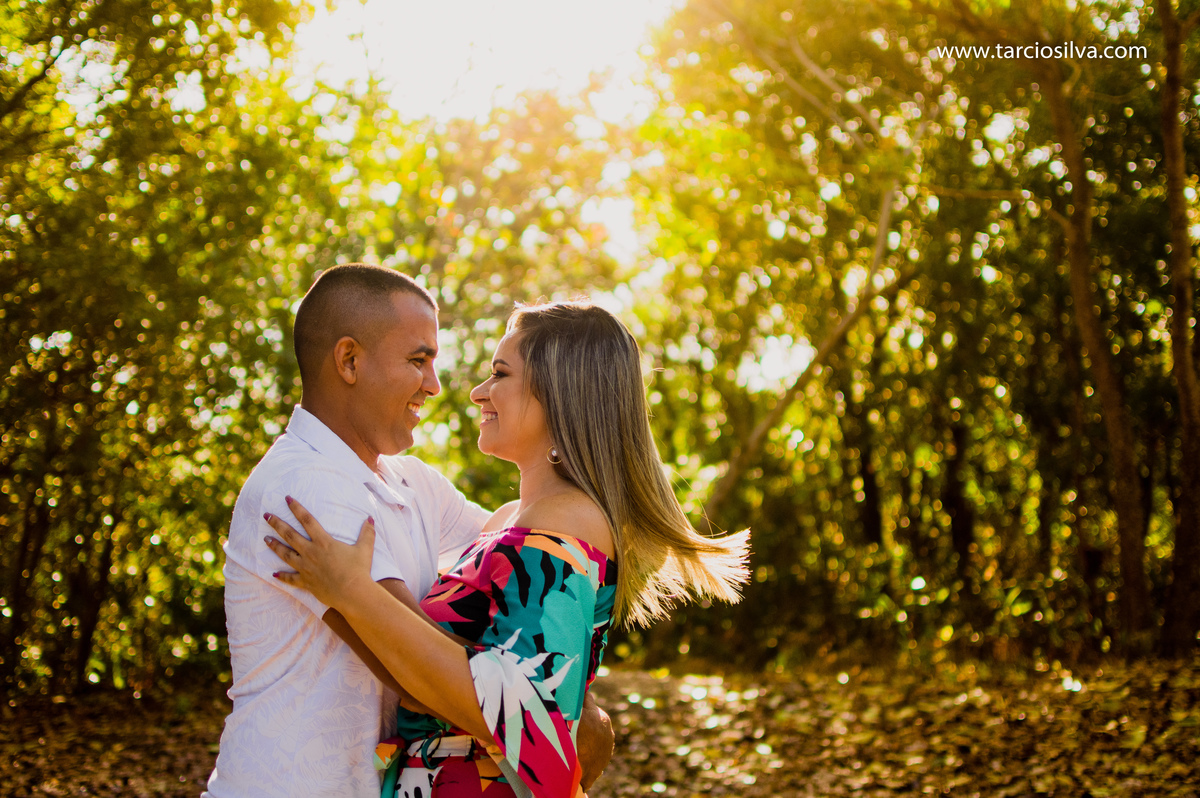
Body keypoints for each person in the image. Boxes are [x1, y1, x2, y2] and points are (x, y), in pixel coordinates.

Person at [264, 301, 750, 798]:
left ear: (561, 394)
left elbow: (521, 710)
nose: (477, 392)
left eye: (500, 373)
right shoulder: (509, 521)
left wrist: (352, 592)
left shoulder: (569, 523)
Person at [204, 266, 611, 798]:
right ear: (349, 361)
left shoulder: (410, 482)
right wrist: (560, 717)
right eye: (418, 360)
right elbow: (421, 674)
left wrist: (564, 698)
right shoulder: (302, 485)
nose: (437, 386)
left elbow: (510, 571)